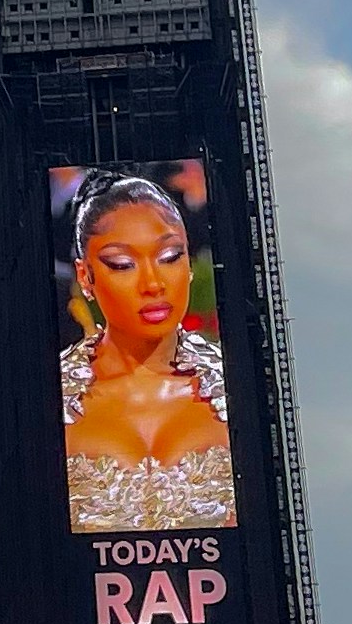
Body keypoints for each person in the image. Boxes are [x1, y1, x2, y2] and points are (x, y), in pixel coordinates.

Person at [60, 169, 235, 530]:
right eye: (122, 264)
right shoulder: (51, 398)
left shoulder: (241, 390)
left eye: (170, 256)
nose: (153, 283)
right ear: (85, 277)